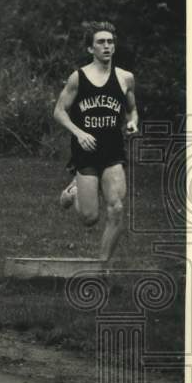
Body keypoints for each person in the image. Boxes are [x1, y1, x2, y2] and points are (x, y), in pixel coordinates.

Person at [53, 21, 138, 261]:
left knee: (117, 209)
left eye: (110, 41)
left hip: (113, 152)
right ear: (91, 49)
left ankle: (103, 267)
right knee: (89, 218)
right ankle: (75, 189)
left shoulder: (125, 78)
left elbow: (132, 110)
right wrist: (79, 133)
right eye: (101, 42)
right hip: (86, 152)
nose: (107, 46)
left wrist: (132, 122)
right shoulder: (78, 78)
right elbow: (59, 111)